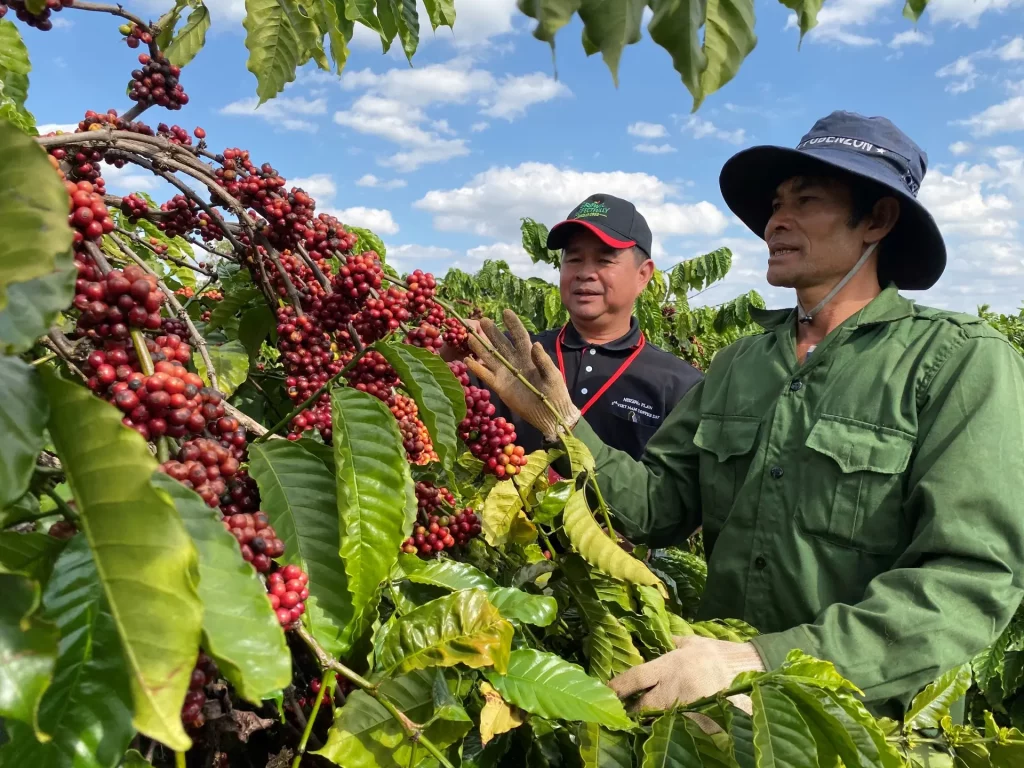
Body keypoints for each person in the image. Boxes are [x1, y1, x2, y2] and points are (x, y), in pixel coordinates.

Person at [466, 111, 1024, 722]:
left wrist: (759, 660)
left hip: (856, 727)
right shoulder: (740, 364)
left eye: (805, 201)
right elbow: (657, 508)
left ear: (878, 220)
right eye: (775, 204)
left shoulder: (957, 361)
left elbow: (969, 578)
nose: (775, 221)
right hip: (711, 712)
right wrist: (559, 419)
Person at [462, 194, 702, 460]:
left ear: (643, 275)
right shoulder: (511, 356)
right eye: (574, 259)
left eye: (604, 260)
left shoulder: (681, 385)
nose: (585, 272)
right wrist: (446, 358)